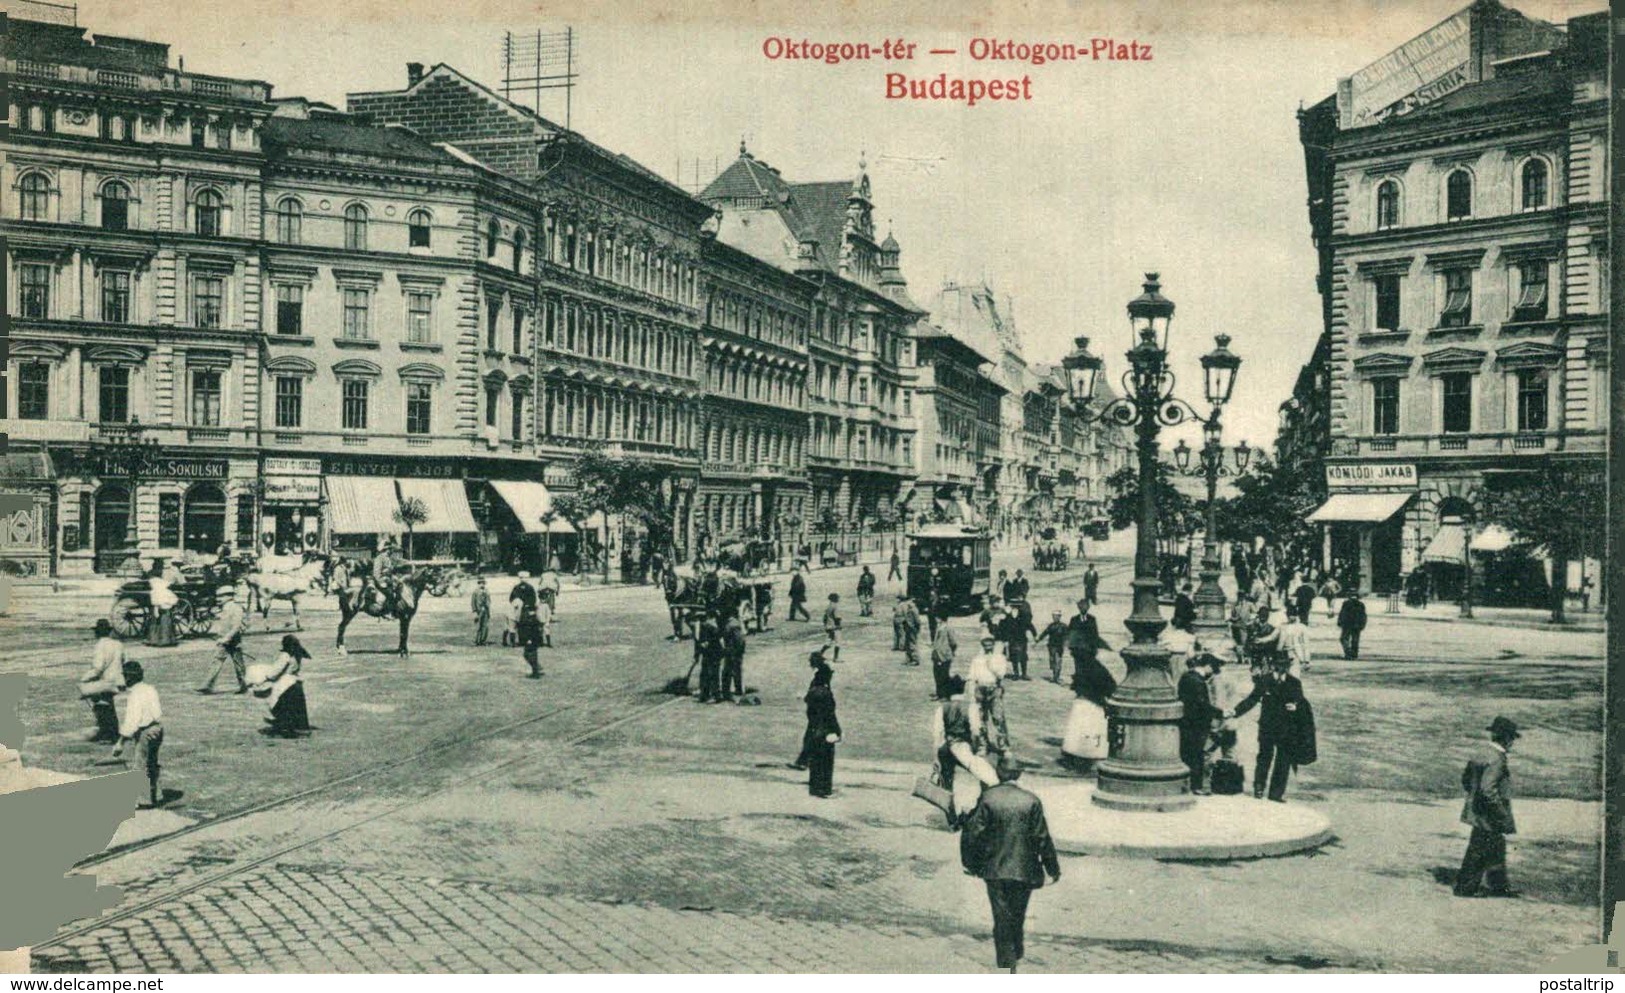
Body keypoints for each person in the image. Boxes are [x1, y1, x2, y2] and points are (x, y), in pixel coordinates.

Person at [959, 753, 1062, 973]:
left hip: (994, 869)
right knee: (1018, 912)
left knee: (1000, 913)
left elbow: (972, 834)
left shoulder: (988, 798)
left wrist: (970, 863)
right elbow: (1042, 838)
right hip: (1025, 870)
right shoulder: (1031, 800)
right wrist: (1053, 869)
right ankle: (1016, 951)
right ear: (1019, 774)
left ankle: (1007, 959)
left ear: (998, 773)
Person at [1454, 716, 1521, 898]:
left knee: (1496, 848)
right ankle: (1465, 889)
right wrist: (1499, 812)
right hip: (1489, 814)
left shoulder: (1481, 752)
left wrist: (1474, 799)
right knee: (1479, 850)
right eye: (1512, 739)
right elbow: (1488, 789)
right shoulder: (1498, 759)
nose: (1512, 743)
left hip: (1478, 811)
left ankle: (1499, 887)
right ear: (1506, 739)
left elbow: (1466, 779)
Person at [1228, 653, 1308, 802]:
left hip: (1286, 728)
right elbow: (1252, 699)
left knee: (1283, 761)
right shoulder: (1265, 681)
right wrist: (1236, 711)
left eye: (1285, 664)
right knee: (1264, 757)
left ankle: (1276, 794)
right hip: (1268, 727)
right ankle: (1258, 788)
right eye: (1280, 664)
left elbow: (1301, 702)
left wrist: (1296, 706)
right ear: (1273, 665)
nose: (1283, 667)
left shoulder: (1294, 682)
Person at [933, 675, 1000, 817]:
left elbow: (937, 734)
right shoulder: (970, 707)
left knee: (946, 783)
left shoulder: (942, 708)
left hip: (945, 748)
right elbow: (975, 731)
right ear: (963, 690)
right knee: (987, 777)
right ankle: (978, 812)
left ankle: (950, 817)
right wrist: (978, 749)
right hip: (963, 747)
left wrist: (936, 757)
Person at [112, 661, 164, 809]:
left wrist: (120, 743)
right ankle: (158, 795)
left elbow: (132, 722)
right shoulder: (150, 689)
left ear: (128, 678)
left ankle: (144, 801)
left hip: (145, 731)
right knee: (152, 762)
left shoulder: (135, 695)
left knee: (140, 765)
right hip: (158, 729)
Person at [1178, 644, 1222, 794]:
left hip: (1187, 721)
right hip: (1197, 724)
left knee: (1188, 753)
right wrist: (1221, 713)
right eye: (1214, 669)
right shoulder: (1197, 681)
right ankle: (1195, 787)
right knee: (1196, 754)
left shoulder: (1186, 677)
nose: (1214, 673)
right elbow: (1202, 705)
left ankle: (1187, 785)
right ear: (1208, 666)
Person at [80, 619, 126, 743]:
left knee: (101, 707)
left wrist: (84, 679)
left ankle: (107, 734)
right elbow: (123, 661)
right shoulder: (118, 644)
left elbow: (98, 667)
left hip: (105, 681)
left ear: (97, 633)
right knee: (110, 707)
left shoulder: (100, 646)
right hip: (118, 680)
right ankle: (112, 733)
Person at [198, 586, 248, 694]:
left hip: (234, 640)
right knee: (216, 661)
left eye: (221, 596)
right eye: (217, 596)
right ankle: (206, 685)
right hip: (223, 640)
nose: (218, 598)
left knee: (238, 664)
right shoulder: (224, 608)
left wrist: (227, 638)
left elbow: (236, 626)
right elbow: (223, 624)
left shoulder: (236, 608)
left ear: (229, 596)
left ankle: (244, 685)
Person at [968, 634, 1010, 760]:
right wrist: (971, 694)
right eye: (985, 644)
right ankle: (983, 745)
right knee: (981, 720)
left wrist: (991, 664)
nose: (988, 646)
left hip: (994, 689)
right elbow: (971, 677)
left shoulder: (1000, 658)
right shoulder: (976, 659)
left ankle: (1003, 746)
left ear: (993, 644)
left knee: (998, 718)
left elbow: (1001, 674)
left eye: (990, 643)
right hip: (980, 690)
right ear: (982, 645)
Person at [803, 661, 841, 798]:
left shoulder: (812, 692)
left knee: (815, 760)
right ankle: (824, 788)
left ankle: (814, 788)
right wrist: (837, 730)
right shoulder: (826, 693)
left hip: (813, 728)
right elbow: (830, 714)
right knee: (826, 761)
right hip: (825, 730)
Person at [264, 634, 312, 737]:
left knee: (282, 707)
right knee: (298, 709)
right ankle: (301, 728)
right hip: (296, 683)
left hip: (285, 684)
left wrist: (267, 677)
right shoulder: (298, 653)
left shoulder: (285, 655)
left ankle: (285, 728)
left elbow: (275, 671)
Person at [788, 651, 829, 770]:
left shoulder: (821, 674)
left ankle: (803, 762)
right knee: (813, 736)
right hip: (818, 709)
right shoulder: (823, 671)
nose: (810, 662)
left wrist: (806, 696)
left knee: (811, 736)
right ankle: (807, 761)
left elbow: (816, 691)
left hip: (817, 710)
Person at [998, 602, 1038, 682]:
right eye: (1013, 606)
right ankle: (1016, 674)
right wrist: (1004, 639)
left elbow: (1029, 625)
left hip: (1022, 639)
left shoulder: (1023, 615)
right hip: (1012, 639)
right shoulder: (1006, 617)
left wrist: (1034, 635)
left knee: (1023, 656)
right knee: (1014, 657)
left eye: (1017, 606)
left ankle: (1024, 674)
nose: (1015, 607)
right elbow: (1002, 628)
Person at [144, 564, 179, 647]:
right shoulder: (165, 590)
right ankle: (166, 640)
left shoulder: (154, 590)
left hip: (158, 607)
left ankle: (154, 639)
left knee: (155, 623)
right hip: (164, 608)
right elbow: (174, 600)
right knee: (165, 623)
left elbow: (155, 601)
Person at [694, 609, 723, 703]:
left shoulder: (708, 626)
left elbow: (708, 641)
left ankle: (715, 696)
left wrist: (704, 645)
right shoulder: (703, 626)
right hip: (709, 653)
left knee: (712, 674)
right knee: (705, 674)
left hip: (713, 653)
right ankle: (705, 694)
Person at [930, 618, 959, 701]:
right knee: (937, 675)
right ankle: (939, 693)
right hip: (937, 655)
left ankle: (946, 695)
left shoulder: (948, 628)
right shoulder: (939, 627)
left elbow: (953, 642)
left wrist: (950, 651)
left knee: (944, 675)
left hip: (944, 655)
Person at [721, 608, 746, 702]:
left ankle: (734, 691)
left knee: (732, 672)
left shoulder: (733, 624)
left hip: (733, 652)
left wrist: (736, 652)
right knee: (731, 672)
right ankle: (731, 691)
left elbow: (740, 640)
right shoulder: (732, 623)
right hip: (731, 651)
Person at [1337, 589, 1367, 660]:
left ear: (1349, 595)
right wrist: (1363, 624)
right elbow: (1364, 615)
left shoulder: (1346, 603)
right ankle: (1354, 654)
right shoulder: (1361, 604)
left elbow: (1343, 613)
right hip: (1357, 624)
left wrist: (1340, 622)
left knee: (1343, 638)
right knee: (1355, 639)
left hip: (1347, 624)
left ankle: (1348, 652)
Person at [1041, 611, 1069, 684]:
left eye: (1056, 616)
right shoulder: (1051, 626)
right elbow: (1044, 633)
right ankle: (1054, 676)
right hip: (1051, 646)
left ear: (1059, 617)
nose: (1055, 618)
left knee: (1058, 661)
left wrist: (1066, 643)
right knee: (1052, 661)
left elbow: (1067, 635)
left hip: (1059, 646)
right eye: (1053, 616)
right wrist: (1038, 640)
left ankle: (1056, 677)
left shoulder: (1064, 626)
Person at [898, 594, 922, 667]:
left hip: (912, 628)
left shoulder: (914, 609)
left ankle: (915, 659)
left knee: (912, 644)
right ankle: (908, 659)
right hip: (908, 628)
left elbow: (917, 621)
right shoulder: (909, 609)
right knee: (907, 644)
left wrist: (916, 628)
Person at [470, 577, 491, 647]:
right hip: (478, 611)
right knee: (478, 626)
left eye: (483, 583)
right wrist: (475, 611)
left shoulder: (486, 591)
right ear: (478, 584)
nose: (482, 585)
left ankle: (483, 640)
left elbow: (489, 601)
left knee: (485, 626)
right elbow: (473, 602)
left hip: (485, 610)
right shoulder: (475, 592)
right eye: (480, 583)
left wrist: (488, 609)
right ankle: (476, 640)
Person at [822, 593, 842, 663]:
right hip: (835, 627)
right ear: (835, 599)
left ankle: (820, 655)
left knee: (828, 642)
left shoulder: (829, 606)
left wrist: (825, 625)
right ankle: (836, 658)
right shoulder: (835, 606)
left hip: (829, 626)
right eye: (837, 598)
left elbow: (824, 618)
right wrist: (839, 626)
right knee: (838, 642)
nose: (838, 599)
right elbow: (837, 618)